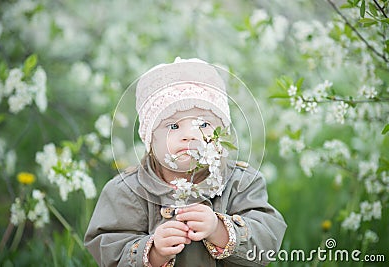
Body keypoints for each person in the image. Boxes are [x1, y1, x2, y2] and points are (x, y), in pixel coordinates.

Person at [84, 57, 287, 267]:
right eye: (173, 126)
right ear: (150, 140)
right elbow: (108, 248)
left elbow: (267, 240)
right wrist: (154, 252)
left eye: (204, 124)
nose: (190, 135)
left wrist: (219, 230)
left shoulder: (240, 182)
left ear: (223, 134)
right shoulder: (127, 190)